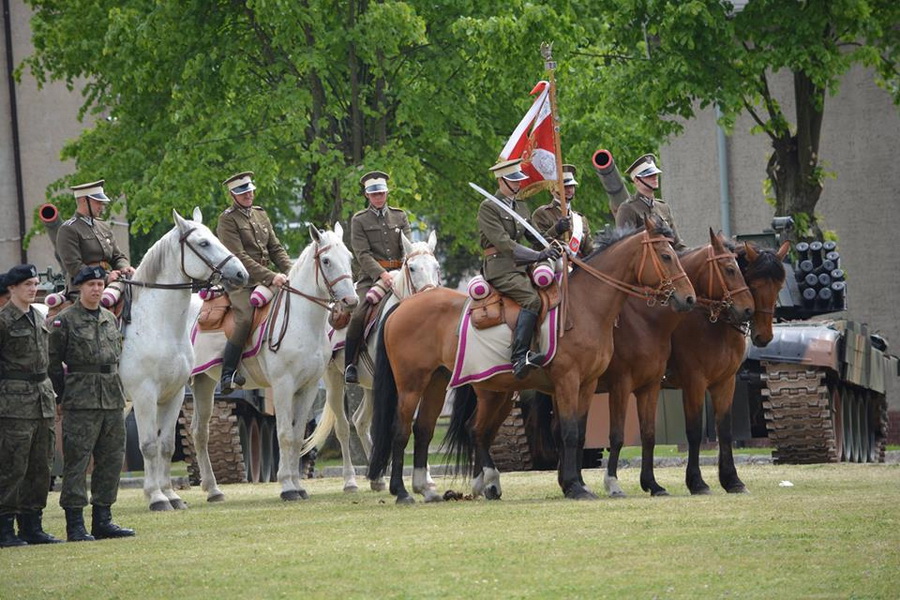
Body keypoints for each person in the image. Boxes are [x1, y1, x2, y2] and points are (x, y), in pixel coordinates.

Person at [49, 265, 134, 542]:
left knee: (111, 460)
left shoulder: (110, 318)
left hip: (111, 398)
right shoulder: (65, 321)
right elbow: (52, 364)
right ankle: (75, 524)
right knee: (77, 462)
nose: (97, 289)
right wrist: (61, 397)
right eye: (91, 285)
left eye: (100, 284)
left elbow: (117, 357)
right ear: (79, 289)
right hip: (80, 401)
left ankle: (103, 520)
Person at [478, 159, 561, 379]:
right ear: (501, 180)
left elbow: (535, 238)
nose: (518, 185)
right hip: (500, 268)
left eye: (519, 181)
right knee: (531, 300)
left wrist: (556, 231)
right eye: (513, 181)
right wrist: (537, 256)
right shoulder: (489, 207)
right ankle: (519, 357)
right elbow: (504, 243)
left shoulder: (520, 206)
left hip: (520, 267)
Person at [0, 264, 62, 547]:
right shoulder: (3, 321)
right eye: (27, 284)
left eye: (35, 283)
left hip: (42, 399)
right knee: (12, 466)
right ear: (12, 288)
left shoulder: (38, 318)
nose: (33, 288)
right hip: (13, 403)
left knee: (41, 466)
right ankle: (4, 528)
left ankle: (32, 525)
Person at [216, 171, 292, 393]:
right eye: (242, 192)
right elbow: (239, 256)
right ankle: (228, 373)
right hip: (240, 282)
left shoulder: (260, 214)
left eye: (249, 190)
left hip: (265, 278)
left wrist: (291, 271)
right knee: (245, 318)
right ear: (233, 195)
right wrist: (271, 276)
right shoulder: (227, 219)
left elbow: (275, 248)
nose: (248, 195)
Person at [344, 171, 411, 384]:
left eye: (381, 193)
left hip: (401, 275)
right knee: (358, 315)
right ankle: (351, 364)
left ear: (387, 193)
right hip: (372, 278)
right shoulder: (359, 220)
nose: (379, 198)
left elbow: (407, 247)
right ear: (367, 195)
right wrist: (382, 274)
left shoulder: (400, 216)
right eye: (374, 195)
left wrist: (402, 273)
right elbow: (362, 254)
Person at [55, 180, 135, 296]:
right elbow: (75, 267)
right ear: (83, 200)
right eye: (98, 202)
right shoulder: (69, 229)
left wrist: (125, 267)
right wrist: (105, 277)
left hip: (110, 283)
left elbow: (117, 256)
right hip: (83, 289)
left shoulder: (103, 225)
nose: (101, 207)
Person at [616, 154, 686, 250]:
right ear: (637, 180)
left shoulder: (663, 207)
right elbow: (624, 248)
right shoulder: (628, 208)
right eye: (649, 175)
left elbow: (678, 245)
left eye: (655, 174)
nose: (654, 177)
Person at [531, 164, 594, 257]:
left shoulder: (580, 219)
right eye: (564, 187)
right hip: (553, 264)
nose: (569, 190)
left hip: (578, 267)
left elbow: (590, 250)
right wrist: (556, 229)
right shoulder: (542, 214)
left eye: (571, 186)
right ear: (552, 190)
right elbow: (538, 246)